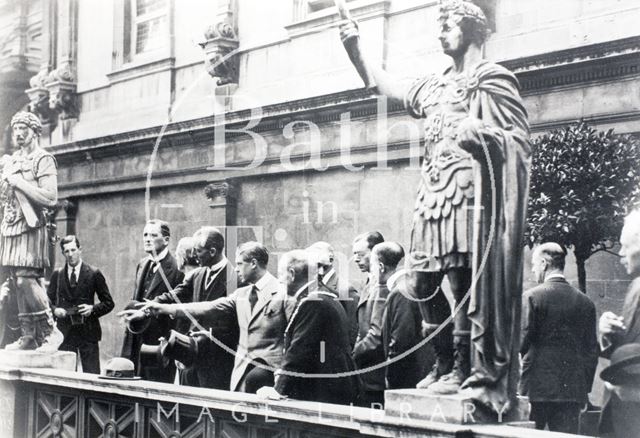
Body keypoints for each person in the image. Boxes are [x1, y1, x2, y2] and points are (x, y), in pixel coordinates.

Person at [340, 0, 530, 412]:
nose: (441, 32)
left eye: (449, 24)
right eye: (439, 24)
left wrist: (482, 134)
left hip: (467, 190)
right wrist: (356, 50)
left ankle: (460, 368)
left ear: (472, 29)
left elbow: (517, 140)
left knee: (462, 285)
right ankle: (444, 360)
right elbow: (382, 83)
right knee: (421, 281)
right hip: (433, 192)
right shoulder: (433, 85)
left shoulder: (491, 79)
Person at [133, 242, 294, 393]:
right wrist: (164, 308)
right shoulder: (241, 294)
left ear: (253, 263)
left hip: (268, 376)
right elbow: (208, 307)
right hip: (240, 372)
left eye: (239, 264)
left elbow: (292, 336)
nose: (236, 269)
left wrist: (283, 375)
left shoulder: (282, 292)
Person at [123, 227, 236, 389]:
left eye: (198, 251)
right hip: (190, 357)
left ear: (212, 251)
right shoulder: (197, 275)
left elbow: (236, 325)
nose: (193, 255)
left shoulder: (235, 279)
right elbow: (173, 296)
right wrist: (146, 309)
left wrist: (209, 336)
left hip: (216, 360)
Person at [262, 250, 359, 405]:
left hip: (324, 393)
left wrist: (279, 389)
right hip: (332, 386)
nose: (279, 280)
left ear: (292, 274)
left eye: (280, 274)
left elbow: (300, 350)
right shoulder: (323, 297)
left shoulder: (312, 302)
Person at [519, 242, 598, 433]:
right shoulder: (586, 302)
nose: (533, 271)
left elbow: (520, 342)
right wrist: (583, 390)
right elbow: (591, 351)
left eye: (535, 265)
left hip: (535, 391)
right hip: (572, 392)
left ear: (544, 264)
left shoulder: (531, 297)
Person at [0, 111, 61, 352]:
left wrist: (18, 182)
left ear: (35, 131)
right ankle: (28, 335)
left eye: (23, 128)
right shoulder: (11, 161)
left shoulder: (43, 159)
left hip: (31, 225)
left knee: (27, 278)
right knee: (17, 280)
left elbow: (50, 197)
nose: (18, 134)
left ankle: (50, 331)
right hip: (10, 224)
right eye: (15, 129)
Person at [119, 219, 184, 383]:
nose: (147, 239)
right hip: (137, 338)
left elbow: (179, 309)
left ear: (166, 240)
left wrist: (171, 343)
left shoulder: (176, 267)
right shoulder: (142, 264)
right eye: (145, 235)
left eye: (153, 235)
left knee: (156, 388)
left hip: (158, 340)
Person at [598, 210, 640, 438]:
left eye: (625, 246)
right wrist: (608, 333)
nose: (621, 254)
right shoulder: (635, 287)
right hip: (621, 421)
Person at [47, 235, 114, 374]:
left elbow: (109, 303)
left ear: (80, 249)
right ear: (63, 253)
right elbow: (47, 302)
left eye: (73, 250)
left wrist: (92, 309)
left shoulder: (94, 273)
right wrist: (55, 310)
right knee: (65, 375)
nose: (70, 255)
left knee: (92, 375)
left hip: (88, 333)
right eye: (67, 251)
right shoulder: (57, 275)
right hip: (65, 333)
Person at [377, 242, 428, 390]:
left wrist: (391, 377)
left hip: (408, 379)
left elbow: (401, 340)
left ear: (380, 267)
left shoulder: (401, 291)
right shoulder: (406, 286)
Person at [352, 231, 387, 407]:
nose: (356, 260)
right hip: (366, 371)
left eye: (360, 255)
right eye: (354, 255)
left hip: (378, 373)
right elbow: (361, 327)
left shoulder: (383, 286)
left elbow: (376, 334)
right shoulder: (368, 284)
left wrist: (354, 353)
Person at [307, 241, 359, 347]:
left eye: (319, 263)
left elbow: (352, 330)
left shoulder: (345, 290)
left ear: (331, 260)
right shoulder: (311, 287)